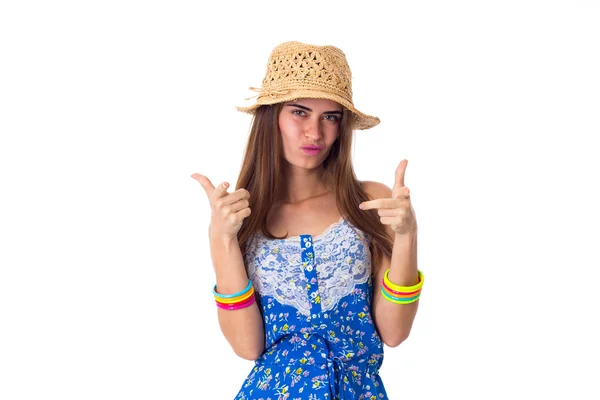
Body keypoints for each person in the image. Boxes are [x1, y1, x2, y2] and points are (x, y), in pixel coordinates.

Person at [191, 41, 424, 400]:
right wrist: (221, 239)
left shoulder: (369, 201)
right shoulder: (243, 218)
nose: (315, 133)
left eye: (330, 117)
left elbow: (393, 333)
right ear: (272, 117)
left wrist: (407, 237)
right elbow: (247, 347)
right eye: (299, 112)